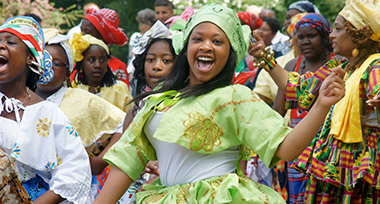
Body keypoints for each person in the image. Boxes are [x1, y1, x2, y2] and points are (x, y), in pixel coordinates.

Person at [93, 4, 345, 203]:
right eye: (198, 38)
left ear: (230, 53)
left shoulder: (236, 97)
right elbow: (126, 164)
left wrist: (322, 105)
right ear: (185, 47)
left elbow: (286, 148)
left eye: (217, 41)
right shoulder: (157, 101)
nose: (206, 46)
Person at [249, 0, 380, 201]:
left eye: (337, 29)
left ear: (358, 35)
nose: (332, 35)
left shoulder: (374, 66)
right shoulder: (341, 66)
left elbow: (377, 88)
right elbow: (297, 87)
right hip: (333, 163)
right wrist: (264, 56)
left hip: (357, 166)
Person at [0, 16, 92, 203]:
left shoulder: (47, 113)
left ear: (30, 58)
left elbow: (75, 171)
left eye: (10, 42)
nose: (1, 46)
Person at [34, 28, 126, 198]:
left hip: (72, 194)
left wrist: (100, 161)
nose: (48, 67)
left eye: (56, 63)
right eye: (43, 60)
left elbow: (124, 122)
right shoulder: (16, 99)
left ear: (68, 71)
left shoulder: (82, 99)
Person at [271, 13, 334, 204]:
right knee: (297, 196)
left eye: (311, 36)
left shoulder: (337, 64)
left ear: (325, 38)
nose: (305, 41)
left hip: (327, 144)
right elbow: (279, 109)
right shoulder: (293, 66)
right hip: (297, 143)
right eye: (301, 37)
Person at [118, 20, 176, 204]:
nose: (157, 66)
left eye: (166, 60)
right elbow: (124, 153)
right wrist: (143, 164)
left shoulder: (182, 107)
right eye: (151, 60)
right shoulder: (135, 110)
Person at [70, 33, 133, 113]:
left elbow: (131, 119)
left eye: (102, 60)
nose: (98, 65)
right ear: (82, 64)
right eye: (91, 60)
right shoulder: (74, 90)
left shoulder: (119, 90)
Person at [80, 7, 130, 86]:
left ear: (102, 37)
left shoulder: (118, 66)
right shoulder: (78, 64)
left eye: (87, 32)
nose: (82, 35)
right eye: (81, 31)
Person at [127, 8, 157, 95]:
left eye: (141, 24)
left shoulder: (156, 38)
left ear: (149, 24)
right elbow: (136, 55)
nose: (139, 27)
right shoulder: (136, 36)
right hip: (134, 73)